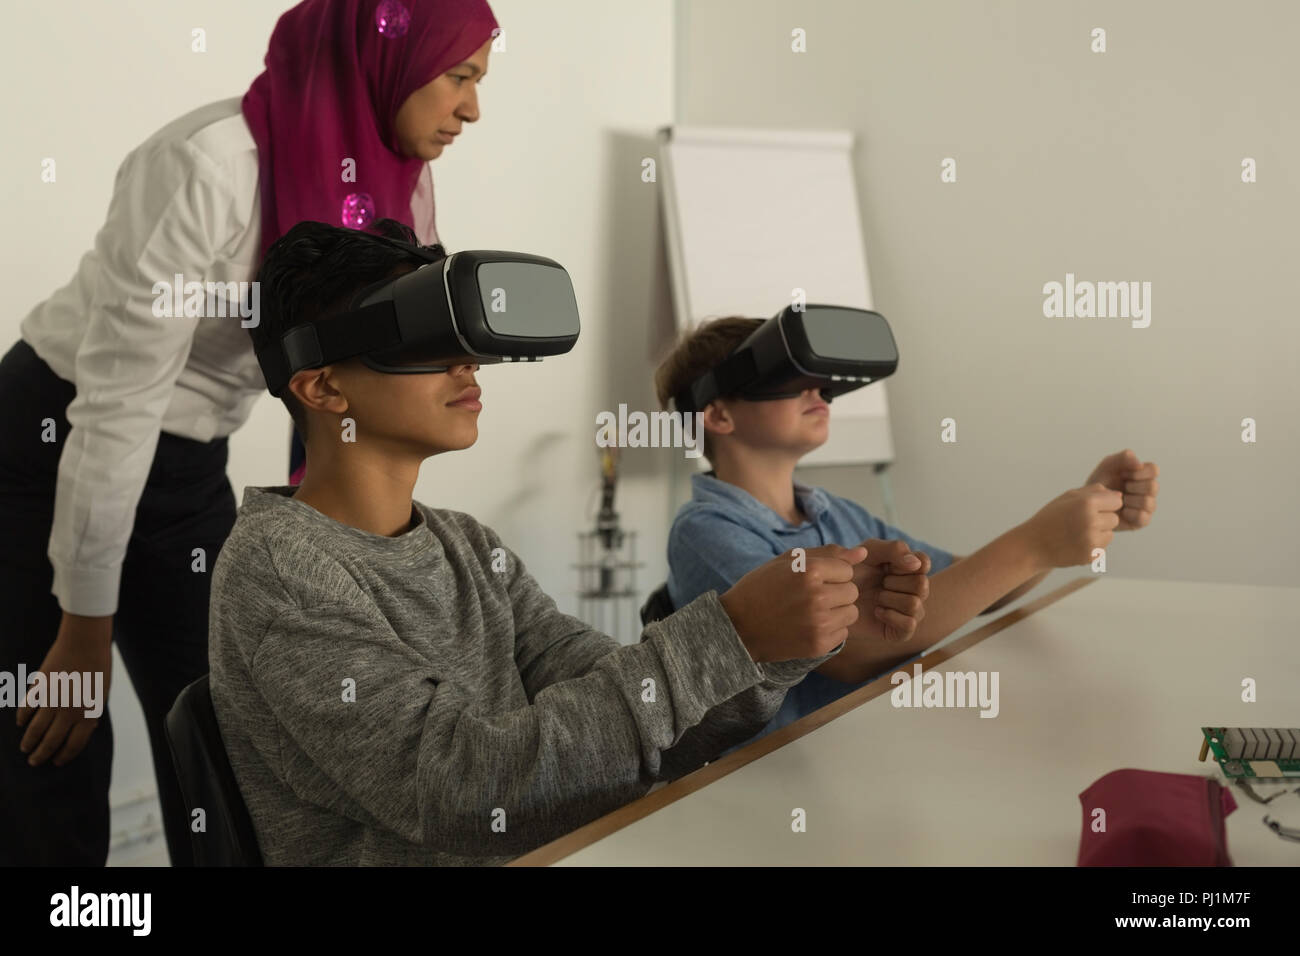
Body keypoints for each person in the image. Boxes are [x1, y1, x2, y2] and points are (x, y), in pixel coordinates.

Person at [208, 218, 933, 865]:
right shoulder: (281, 571)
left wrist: (785, 641)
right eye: (424, 338)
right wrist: (735, 634)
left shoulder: (466, 545)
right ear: (323, 390)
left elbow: (644, 721)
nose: (470, 364)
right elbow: (466, 792)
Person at [0, 0, 498, 866]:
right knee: (51, 728)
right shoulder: (206, 164)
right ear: (385, 59)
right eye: (459, 77)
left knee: (224, 721)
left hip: (189, 453)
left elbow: (363, 381)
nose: (471, 110)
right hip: (52, 436)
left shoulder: (398, 178)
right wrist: (84, 629)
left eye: (478, 83)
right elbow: (118, 405)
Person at [653, 316, 1161, 747]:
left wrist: (1083, 514)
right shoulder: (706, 532)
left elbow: (968, 587)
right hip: (780, 777)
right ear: (717, 414)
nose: (820, 390)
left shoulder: (836, 516)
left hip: (881, 748)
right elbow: (852, 652)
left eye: (822, 379)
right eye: (790, 377)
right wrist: (1036, 543)